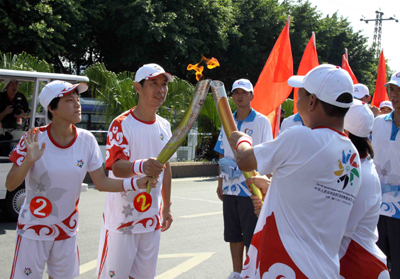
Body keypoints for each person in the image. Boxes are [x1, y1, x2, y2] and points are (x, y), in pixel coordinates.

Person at [6, 80, 157, 279]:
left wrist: (136, 182)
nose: (77, 104)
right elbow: (10, 184)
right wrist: (28, 160)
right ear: (52, 108)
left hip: (67, 230)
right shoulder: (33, 139)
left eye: (77, 98)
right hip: (33, 230)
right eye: (69, 100)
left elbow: (102, 182)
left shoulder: (87, 140)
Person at [230, 64, 361, 278]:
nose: (296, 99)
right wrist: (274, 188)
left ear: (312, 101)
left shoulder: (299, 136)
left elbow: (245, 160)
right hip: (324, 269)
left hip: (286, 265)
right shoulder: (352, 154)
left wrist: (242, 139)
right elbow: (314, 195)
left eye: (300, 93)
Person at [96, 63, 174, 279]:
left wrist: (166, 206)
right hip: (123, 219)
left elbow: (166, 169)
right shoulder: (121, 124)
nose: (161, 90)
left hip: (150, 218)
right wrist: (142, 166)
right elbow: (116, 167)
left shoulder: (164, 126)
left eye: (164, 84)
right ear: (137, 88)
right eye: (153, 84)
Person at [214, 78, 273, 279]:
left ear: (251, 96)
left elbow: (268, 154)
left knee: (250, 234)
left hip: (251, 188)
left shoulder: (261, 121)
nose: (239, 96)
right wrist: (220, 181)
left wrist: (264, 185)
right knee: (233, 234)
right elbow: (222, 152)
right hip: (230, 187)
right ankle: (237, 272)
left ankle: (251, 272)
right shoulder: (227, 121)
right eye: (236, 92)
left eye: (244, 92)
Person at [339, 99, 389, 278]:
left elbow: (338, 227)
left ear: (345, 132)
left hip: (360, 266)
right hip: (350, 262)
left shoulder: (362, 175)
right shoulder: (355, 164)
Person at [372, 71, 400, 278]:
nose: (394, 94)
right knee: (377, 264)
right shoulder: (379, 123)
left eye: (399, 90)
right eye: (391, 89)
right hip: (376, 206)